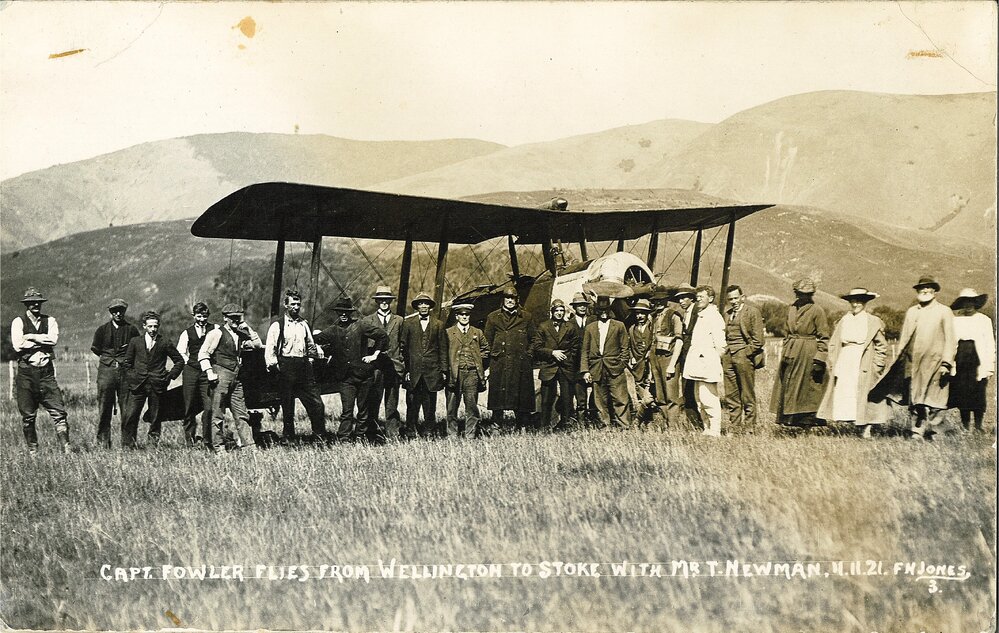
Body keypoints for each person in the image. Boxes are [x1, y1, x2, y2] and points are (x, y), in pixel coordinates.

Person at [869, 276, 956, 440]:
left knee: (936, 398)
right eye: (921, 288)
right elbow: (904, 340)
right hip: (913, 363)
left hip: (936, 363)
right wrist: (901, 362)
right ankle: (917, 430)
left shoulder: (944, 311)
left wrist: (946, 362)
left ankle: (938, 432)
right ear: (917, 291)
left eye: (929, 288)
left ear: (935, 291)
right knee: (915, 398)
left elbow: (951, 340)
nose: (925, 291)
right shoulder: (912, 312)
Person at [314, 296, 388, 443]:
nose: (343, 314)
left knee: (363, 410)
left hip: (363, 376)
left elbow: (382, 336)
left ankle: (361, 437)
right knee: (347, 411)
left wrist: (374, 355)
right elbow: (314, 338)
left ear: (350, 313)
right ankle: (344, 438)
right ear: (337, 313)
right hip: (345, 378)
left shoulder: (360, 326)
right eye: (340, 312)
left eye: (346, 312)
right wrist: (317, 347)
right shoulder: (333, 330)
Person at [816, 288, 888, 438]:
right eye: (853, 301)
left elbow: (881, 345)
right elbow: (835, 343)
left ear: (865, 302)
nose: (856, 304)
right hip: (846, 360)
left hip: (864, 361)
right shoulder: (844, 320)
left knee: (866, 393)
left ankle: (867, 428)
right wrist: (832, 361)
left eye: (859, 301)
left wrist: (877, 365)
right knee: (848, 393)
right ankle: (854, 425)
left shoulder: (873, 321)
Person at [10, 287, 70, 454]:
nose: (36, 304)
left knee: (59, 411)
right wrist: (42, 341)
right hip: (26, 373)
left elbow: (53, 340)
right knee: (28, 415)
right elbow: (17, 345)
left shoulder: (50, 320)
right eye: (31, 302)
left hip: (46, 373)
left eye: (38, 302)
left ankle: (67, 449)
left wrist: (31, 337)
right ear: (26, 304)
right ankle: (33, 452)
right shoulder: (18, 322)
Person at [198, 304, 263, 453]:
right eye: (232, 318)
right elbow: (203, 354)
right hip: (220, 376)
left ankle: (249, 446)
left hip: (236, 377)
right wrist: (209, 372)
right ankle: (219, 448)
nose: (235, 320)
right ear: (225, 318)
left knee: (241, 413)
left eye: (238, 317)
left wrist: (247, 328)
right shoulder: (216, 334)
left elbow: (257, 345)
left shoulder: (240, 334)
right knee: (218, 414)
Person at [265, 289, 327, 442]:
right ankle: (289, 438)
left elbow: (311, 345)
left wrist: (311, 360)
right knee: (288, 407)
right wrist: (276, 367)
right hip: (286, 366)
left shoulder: (303, 324)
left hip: (303, 367)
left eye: (298, 304)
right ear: (286, 305)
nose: (296, 307)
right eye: (292, 304)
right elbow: (270, 350)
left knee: (316, 404)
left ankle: (319, 437)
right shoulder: (277, 325)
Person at [771, 279, 830, 428]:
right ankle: (791, 421)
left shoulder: (817, 310)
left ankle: (807, 424)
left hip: (808, 353)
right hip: (791, 351)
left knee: (806, 389)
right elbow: (787, 331)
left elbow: (824, 336)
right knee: (790, 386)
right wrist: (786, 347)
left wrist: (819, 359)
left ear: (811, 295)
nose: (803, 297)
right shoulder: (791, 308)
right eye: (800, 294)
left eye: (807, 294)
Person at [122, 311, 184, 448]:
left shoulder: (165, 342)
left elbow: (179, 361)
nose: (153, 330)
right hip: (138, 385)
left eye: (155, 326)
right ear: (144, 326)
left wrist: (169, 377)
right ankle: (128, 446)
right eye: (150, 326)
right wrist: (133, 377)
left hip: (157, 385)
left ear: (158, 326)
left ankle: (152, 446)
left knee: (156, 417)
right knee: (131, 415)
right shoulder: (135, 342)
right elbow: (126, 363)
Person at [484, 287, 536, 433]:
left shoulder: (526, 317)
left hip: (520, 363)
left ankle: (523, 425)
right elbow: (487, 341)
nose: (510, 301)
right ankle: (496, 425)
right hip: (499, 363)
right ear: (503, 300)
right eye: (507, 298)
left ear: (517, 300)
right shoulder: (493, 317)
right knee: (498, 396)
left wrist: (528, 354)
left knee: (521, 395)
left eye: (512, 298)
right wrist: (489, 361)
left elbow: (535, 339)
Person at [91, 298, 140, 448]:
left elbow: (137, 349)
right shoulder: (102, 330)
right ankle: (103, 444)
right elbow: (97, 349)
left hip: (126, 373)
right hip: (106, 372)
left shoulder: (132, 330)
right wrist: (110, 361)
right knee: (104, 408)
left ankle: (128, 444)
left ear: (124, 311)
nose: (118, 313)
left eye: (121, 311)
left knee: (128, 409)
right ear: (111, 312)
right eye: (115, 311)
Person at [359, 286, 406, 439]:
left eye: (387, 300)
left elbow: (403, 344)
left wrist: (401, 363)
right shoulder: (367, 321)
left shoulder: (399, 321)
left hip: (393, 366)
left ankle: (393, 434)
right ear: (377, 301)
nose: (384, 303)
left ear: (390, 302)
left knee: (392, 403)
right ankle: (372, 433)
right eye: (381, 300)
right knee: (373, 400)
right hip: (375, 367)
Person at [400, 293, 448, 437]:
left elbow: (443, 349)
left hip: (432, 372)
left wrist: (444, 370)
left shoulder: (438, 325)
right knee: (412, 403)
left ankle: (429, 431)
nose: (423, 306)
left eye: (426, 304)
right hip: (413, 372)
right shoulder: (408, 324)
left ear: (430, 306)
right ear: (416, 306)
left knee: (430, 405)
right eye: (420, 303)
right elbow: (403, 348)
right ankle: (410, 431)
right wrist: (406, 370)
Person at [947, 288, 995, 432]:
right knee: (962, 393)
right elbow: (951, 341)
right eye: (965, 301)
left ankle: (978, 426)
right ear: (961, 303)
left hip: (978, 359)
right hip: (961, 358)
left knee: (978, 392)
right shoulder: (955, 320)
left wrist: (989, 366)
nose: (968, 305)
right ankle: (965, 426)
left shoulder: (984, 320)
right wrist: (951, 362)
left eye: (971, 301)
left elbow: (989, 344)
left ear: (976, 302)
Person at [580, 295, 631, 428]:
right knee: (600, 400)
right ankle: (605, 426)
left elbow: (625, 348)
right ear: (596, 310)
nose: (603, 313)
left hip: (615, 368)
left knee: (620, 398)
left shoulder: (619, 326)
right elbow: (584, 350)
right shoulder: (590, 328)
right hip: (596, 368)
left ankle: (624, 426)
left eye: (606, 309)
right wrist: (585, 370)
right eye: (600, 310)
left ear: (610, 310)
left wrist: (621, 365)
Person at [682, 286, 727, 437]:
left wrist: (712, 360)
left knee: (709, 397)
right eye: (698, 297)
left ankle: (715, 429)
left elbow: (721, 345)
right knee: (699, 398)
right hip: (697, 364)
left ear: (711, 298)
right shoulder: (701, 315)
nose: (699, 299)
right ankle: (706, 427)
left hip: (707, 363)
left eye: (702, 297)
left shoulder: (714, 317)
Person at [531, 299, 580, 431]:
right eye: (556, 311)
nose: (559, 313)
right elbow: (537, 347)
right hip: (549, 367)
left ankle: (566, 426)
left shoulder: (570, 327)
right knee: (546, 400)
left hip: (566, 367)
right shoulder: (544, 327)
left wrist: (567, 358)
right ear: (552, 312)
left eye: (561, 311)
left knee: (567, 399)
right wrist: (552, 353)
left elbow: (575, 347)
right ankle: (544, 426)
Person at [722, 284, 765, 433]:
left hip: (743, 356)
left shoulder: (752, 312)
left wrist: (746, 353)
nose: (733, 301)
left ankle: (749, 427)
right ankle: (734, 426)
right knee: (731, 394)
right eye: (730, 299)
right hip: (728, 357)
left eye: (736, 298)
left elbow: (759, 340)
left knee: (747, 392)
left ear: (742, 298)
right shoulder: (727, 314)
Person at [176, 302, 218, 446]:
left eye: (205, 316)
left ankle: (207, 440)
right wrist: (189, 362)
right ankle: (190, 440)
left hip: (207, 371)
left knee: (208, 407)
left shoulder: (215, 329)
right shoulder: (187, 332)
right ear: (194, 316)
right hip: (191, 371)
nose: (202, 319)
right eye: (199, 316)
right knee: (189, 406)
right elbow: (180, 351)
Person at [445, 302, 489, 438]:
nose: (465, 317)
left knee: (471, 406)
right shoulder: (448, 333)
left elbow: (486, 350)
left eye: (467, 315)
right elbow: (443, 352)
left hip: (471, 374)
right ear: (457, 316)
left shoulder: (477, 332)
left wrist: (477, 361)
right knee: (452, 406)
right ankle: (452, 434)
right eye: (462, 315)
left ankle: (470, 435)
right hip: (454, 374)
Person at [648, 288, 684, 426]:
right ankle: (665, 423)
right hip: (655, 358)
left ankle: (673, 426)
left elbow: (679, 341)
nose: (658, 303)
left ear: (665, 300)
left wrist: (672, 365)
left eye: (660, 300)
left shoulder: (674, 316)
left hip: (669, 358)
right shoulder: (654, 317)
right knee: (660, 395)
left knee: (671, 395)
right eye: (655, 300)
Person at [673, 283, 700, 429]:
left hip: (695, 357)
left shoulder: (698, 311)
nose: (681, 301)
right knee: (687, 390)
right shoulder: (685, 314)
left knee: (695, 391)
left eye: (684, 298)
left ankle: (700, 423)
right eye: (679, 299)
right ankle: (694, 424)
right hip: (686, 358)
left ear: (692, 298)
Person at [626, 298, 656, 423]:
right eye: (637, 313)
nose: (639, 316)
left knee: (649, 392)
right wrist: (631, 357)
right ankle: (643, 419)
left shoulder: (652, 327)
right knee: (640, 391)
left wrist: (650, 353)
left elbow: (654, 342)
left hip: (650, 363)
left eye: (642, 313)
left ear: (647, 314)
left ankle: (640, 419)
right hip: (637, 365)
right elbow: (629, 346)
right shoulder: (632, 329)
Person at [568, 292, 596, 425]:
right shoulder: (569, 324)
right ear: (574, 307)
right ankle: (581, 421)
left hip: (593, 362)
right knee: (580, 394)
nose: (582, 308)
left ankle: (594, 417)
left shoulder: (593, 320)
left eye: (584, 305)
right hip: (576, 365)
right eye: (579, 306)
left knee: (596, 392)